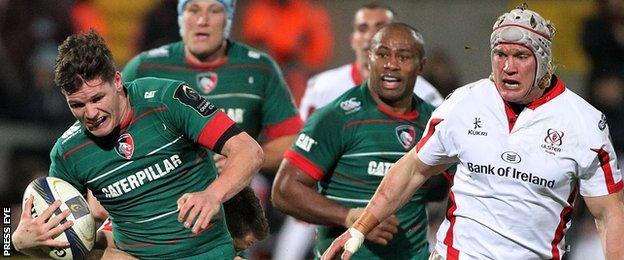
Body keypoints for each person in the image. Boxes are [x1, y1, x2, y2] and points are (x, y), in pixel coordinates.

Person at [323, 6, 624, 260]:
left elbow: (609, 212)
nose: (508, 67)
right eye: (500, 54)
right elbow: (413, 169)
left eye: (521, 56)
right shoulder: (464, 103)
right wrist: (360, 227)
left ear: (543, 61)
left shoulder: (583, 122)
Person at [11, 30, 264, 259]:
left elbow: (249, 150)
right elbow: (68, 244)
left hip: (206, 253)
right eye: (77, 105)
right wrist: (21, 243)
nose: (90, 113)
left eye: (97, 98)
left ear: (118, 81)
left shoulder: (168, 100)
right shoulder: (68, 153)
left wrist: (212, 195)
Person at [272, 23, 437, 259]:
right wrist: (349, 216)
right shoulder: (337, 118)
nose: (391, 64)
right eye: (382, 54)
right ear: (369, 58)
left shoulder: (435, 121)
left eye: (403, 56)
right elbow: (284, 190)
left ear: (421, 65)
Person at [123, 0, 302, 175]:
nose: (203, 20)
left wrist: (245, 159)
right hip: (164, 192)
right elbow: (110, 131)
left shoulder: (259, 68)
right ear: (180, 17)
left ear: (228, 18)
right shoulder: (144, 68)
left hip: (237, 193)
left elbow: (289, 140)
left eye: (214, 10)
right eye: (193, 10)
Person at [298, 2, 443, 121]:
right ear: (352, 40)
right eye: (362, 28)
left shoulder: (425, 95)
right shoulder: (322, 87)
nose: (370, 36)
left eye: (380, 28)